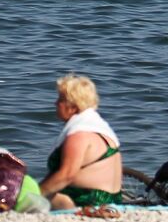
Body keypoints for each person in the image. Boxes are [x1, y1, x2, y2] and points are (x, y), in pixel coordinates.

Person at [39, 75, 123, 209]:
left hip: (88, 201)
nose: (55, 103)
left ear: (73, 107)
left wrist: (34, 194)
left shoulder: (79, 135)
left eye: (60, 99)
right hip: (112, 198)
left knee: (22, 194)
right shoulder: (101, 130)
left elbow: (66, 176)